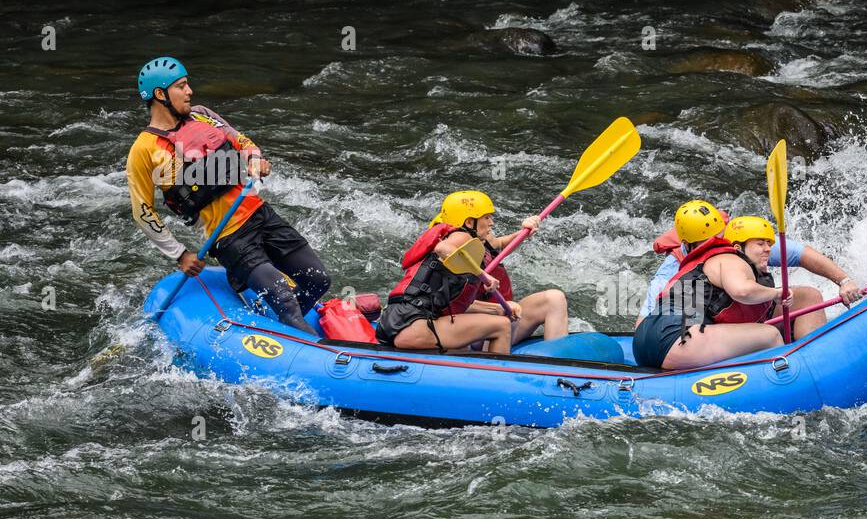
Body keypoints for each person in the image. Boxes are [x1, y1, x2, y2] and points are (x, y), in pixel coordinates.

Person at [125, 57, 330, 333]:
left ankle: (282, 329)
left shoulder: (201, 115)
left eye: (188, 85)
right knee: (284, 299)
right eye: (181, 86)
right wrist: (181, 254)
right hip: (228, 238)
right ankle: (298, 333)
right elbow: (142, 211)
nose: (190, 91)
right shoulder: (144, 149)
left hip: (260, 213)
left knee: (318, 280)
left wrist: (255, 158)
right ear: (161, 94)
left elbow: (241, 141)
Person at [376, 189, 569, 353]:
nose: (492, 222)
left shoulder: (475, 241)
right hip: (414, 324)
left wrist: (525, 231)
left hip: (399, 320)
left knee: (553, 298)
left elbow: (499, 244)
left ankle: (553, 367)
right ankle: (498, 382)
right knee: (501, 326)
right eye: (486, 217)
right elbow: (442, 249)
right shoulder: (460, 237)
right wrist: (483, 275)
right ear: (469, 223)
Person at [637, 210, 865, 338]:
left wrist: (844, 280)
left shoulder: (741, 244)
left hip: (741, 313)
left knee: (808, 296)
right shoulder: (671, 271)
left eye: (718, 237)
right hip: (710, 330)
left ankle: (809, 354)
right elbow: (646, 324)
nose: (714, 246)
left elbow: (800, 254)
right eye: (706, 241)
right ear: (687, 245)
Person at [632, 200, 788, 370]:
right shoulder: (726, 257)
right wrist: (776, 293)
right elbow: (741, 291)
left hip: (641, 342)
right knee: (770, 335)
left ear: (685, 242)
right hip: (677, 338)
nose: (767, 249)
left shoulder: (686, 268)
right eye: (760, 244)